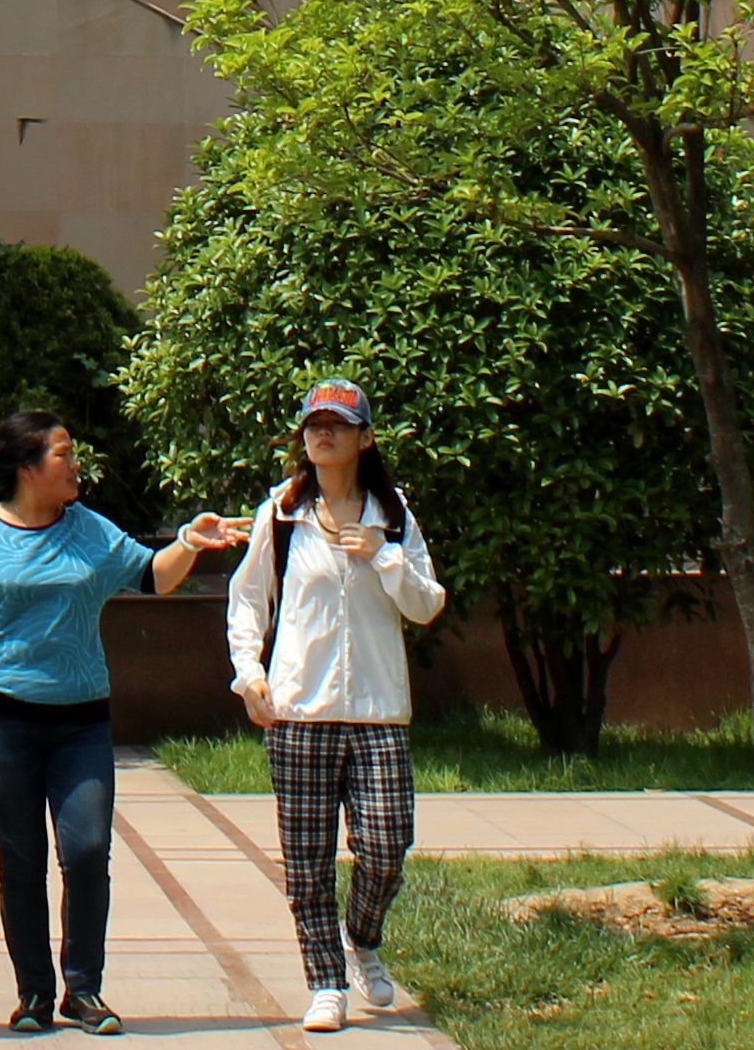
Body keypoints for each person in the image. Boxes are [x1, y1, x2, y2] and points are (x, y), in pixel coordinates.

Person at [0, 414, 248, 1035]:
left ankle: (84, 989)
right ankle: (35, 994)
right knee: (21, 859)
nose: (76, 465)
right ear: (26, 468)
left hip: (81, 723)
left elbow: (152, 575)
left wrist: (191, 542)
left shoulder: (88, 530)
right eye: (64, 454)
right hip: (0, 720)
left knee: (88, 850)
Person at [225, 382, 445, 1030]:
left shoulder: (393, 515)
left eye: (339, 425)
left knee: (385, 847)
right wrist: (249, 674)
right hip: (299, 711)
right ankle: (326, 982)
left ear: (364, 437)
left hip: (378, 712)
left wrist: (385, 556)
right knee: (307, 861)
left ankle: (362, 939)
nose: (324, 435)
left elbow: (427, 604)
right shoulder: (283, 513)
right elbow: (247, 600)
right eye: (314, 425)